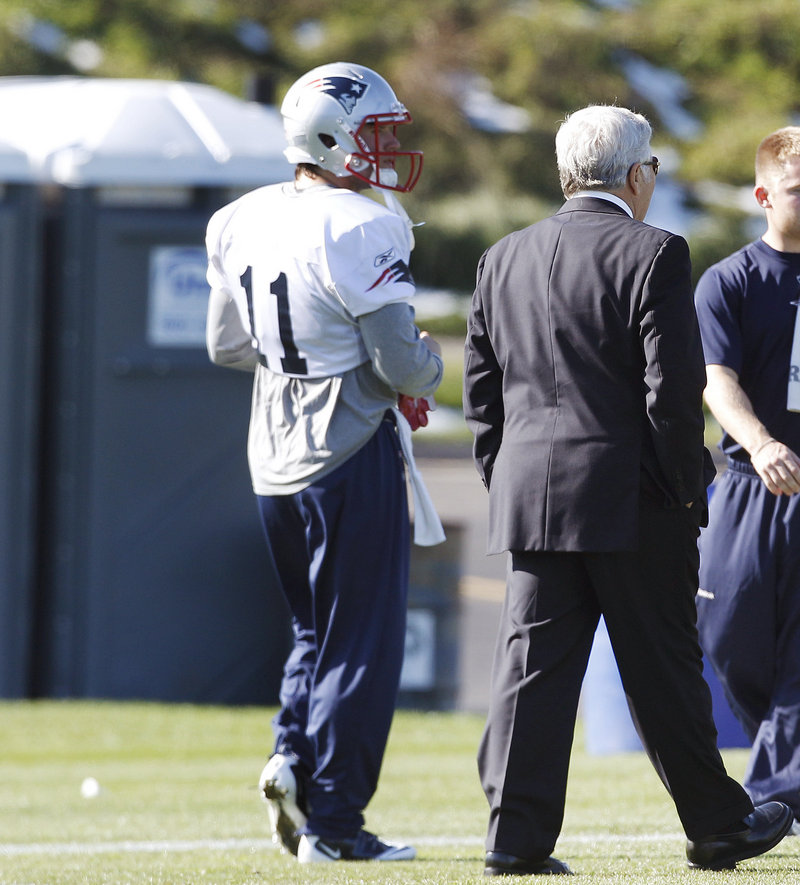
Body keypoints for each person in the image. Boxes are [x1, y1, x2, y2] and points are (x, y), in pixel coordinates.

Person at [463, 104, 793, 876]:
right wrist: (686, 490)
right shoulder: (654, 253)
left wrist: (503, 476)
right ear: (637, 174)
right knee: (666, 668)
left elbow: (482, 392)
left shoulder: (500, 256)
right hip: (633, 500)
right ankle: (717, 824)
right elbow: (669, 394)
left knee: (530, 673)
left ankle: (513, 841)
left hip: (533, 501)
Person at [204, 61, 443, 864]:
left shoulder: (237, 217)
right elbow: (403, 365)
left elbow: (227, 344)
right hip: (348, 447)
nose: (386, 148)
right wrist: (424, 367)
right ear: (332, 134)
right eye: (376, 131)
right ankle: (338, 826)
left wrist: (307, 354)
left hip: (270, 451)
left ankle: (293, 757)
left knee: (313, 631)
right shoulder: (361, 225)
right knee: (361, 640)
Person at [694, 126, 800, 834]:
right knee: (729, 636)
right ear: (764, 196)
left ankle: (777, 797)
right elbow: (716, 378)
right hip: (746, 485)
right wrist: (759, 441)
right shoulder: (729, 280)